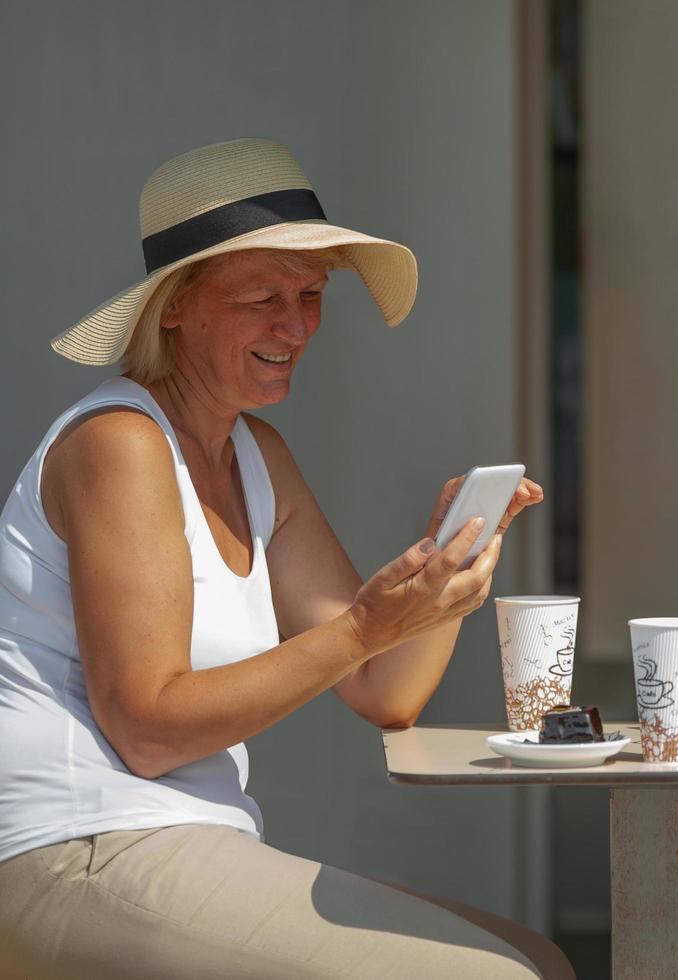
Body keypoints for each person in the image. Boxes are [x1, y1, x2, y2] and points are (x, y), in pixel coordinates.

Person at [0, 138, 571, 979]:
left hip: (180, 839)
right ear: (173, 307)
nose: (297, 326)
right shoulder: (119, 443)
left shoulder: (256, 453)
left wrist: (446, 583)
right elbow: (149, 731)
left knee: (539, 959)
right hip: (72, 849)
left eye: (311, 295)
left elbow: (384, 690)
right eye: (263, 296)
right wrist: (369, 626)